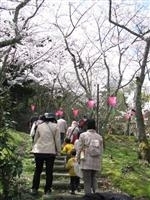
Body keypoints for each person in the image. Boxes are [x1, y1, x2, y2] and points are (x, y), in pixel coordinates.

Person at [30, 112, 61, 196]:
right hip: (50, 152)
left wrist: (33, 148)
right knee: (49, 172)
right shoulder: (56, 126)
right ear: (53, 118)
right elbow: (57, 140)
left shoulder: (40, 126)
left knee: (38, 170)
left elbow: (36, 139)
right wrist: (58, 151)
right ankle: (47, 190)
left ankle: (34, 188)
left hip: (39, 151)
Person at [76, 118, 103, 195]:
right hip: (96, 161)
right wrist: (101, 162)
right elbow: (101, 151)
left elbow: (79, 148)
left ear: (87, 125)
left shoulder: (83, 135)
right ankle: (97, 195)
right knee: (94, 179)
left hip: (86, 161)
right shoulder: (99, 137)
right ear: (95, 126)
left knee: (87, 181)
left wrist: (77, 158)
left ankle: (88, 196)